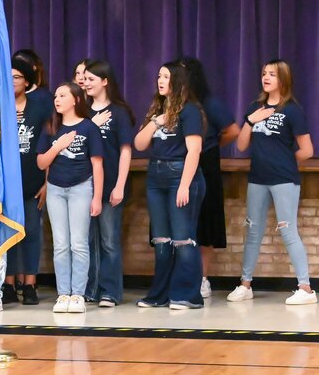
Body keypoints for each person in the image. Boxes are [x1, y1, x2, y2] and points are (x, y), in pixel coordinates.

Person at [228, 60, 316, 305]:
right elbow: (242, 145)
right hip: (257, 179)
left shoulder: (292, 110)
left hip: (284, 179)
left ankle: (306, 288)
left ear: (283, 79)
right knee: (253, 231)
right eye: (264, 73)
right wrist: (250, 120)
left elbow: (307, 149)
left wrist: (285, 160)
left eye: (272, 74)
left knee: (288, 231)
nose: (266, 78)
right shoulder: (255, 107)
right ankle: (245, 285)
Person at [132, 60, 206, 310]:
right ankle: (160, 293)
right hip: (156, 177)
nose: (160, 81)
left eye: (165, 76)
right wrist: (155, 122)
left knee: (183, 239)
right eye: (159, 76)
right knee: (161, 239)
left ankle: (187, 295)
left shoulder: (190, 111)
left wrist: (185, 186)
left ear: (177, 80)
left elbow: (194, 150)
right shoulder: (159, 108)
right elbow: (140, 144)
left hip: (180, 176)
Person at [36, 82, 104, 313]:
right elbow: (41, 162)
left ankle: (78, 295)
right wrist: (58, 146)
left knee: (78, 243)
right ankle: (63, 294)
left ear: (75, 99)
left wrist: (97, 197)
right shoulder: (51, 127)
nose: (57, 99)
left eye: (62, 95)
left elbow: (97, 165)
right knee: (61, 244)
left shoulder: (88, 128)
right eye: (56, 95)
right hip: (55, 188)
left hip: (81, 188)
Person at [182, 57, 240, 298]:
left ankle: (203, 278)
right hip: (179, 163)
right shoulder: (173, 104)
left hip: (206, 164)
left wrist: (212, 144)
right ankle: (181, 276)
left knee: (206, 222)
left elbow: (232, 130)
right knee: (183, 224)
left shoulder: (209, 103)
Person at [82, 60, 135, 307]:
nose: (86, 83)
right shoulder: (82, 110)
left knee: (109, 240)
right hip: (84, 185)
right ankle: (90, 289)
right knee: (88, 240)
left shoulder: (118, 112)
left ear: (105, 81)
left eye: (92, 79)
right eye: (85, 79)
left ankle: (110, 291)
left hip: (111, 182)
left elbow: (125, 150)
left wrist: (120, 185)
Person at [3, 57, 53, 305]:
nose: (12, 81)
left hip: (33, 182)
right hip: (5, 184)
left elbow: (47, 146)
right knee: (9, 234)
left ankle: (30, 284)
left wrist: (46, 182)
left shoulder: (39, 107)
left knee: (32, 232)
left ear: (27, 82)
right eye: (8, 76)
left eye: (17, 77)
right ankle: (9, 284)